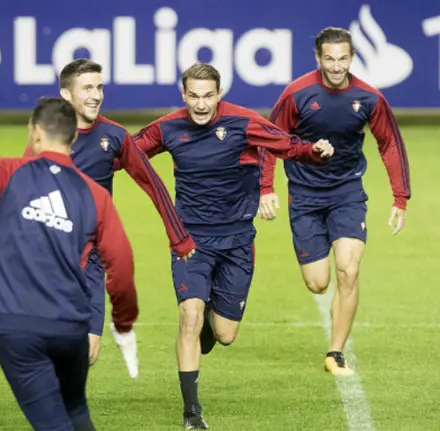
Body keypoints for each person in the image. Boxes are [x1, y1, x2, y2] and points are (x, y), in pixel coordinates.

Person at [133, 63, 334, 429]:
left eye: (208, 96)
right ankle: (192, 412)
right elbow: (127, 152)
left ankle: (209, 319)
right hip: (190, 240)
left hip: (237, 241)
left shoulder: (244, 122)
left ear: (219, 94)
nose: (201, 104)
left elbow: (286, 145)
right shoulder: (168, 128)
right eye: (193, 96)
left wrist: (314, 152)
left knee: (224, 334)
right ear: (183, 95)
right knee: (189, 315)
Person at [0, 97, 139, 431]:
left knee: (54, 424)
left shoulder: (6, 172)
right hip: (71, 328)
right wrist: (123, 325)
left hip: (16, 325)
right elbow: (121, 267)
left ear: (34, 132)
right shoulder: (95, 194)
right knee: (75, 412)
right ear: (74, 137)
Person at [258, 27, 411, 376]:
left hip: (347, 193)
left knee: (348, 270)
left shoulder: (369, 98)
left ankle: (335, 353)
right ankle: (335, 331)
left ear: (352, 57)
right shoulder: (296, 94)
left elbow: (390, 143)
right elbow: (270, 139)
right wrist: (266, 188)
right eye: (330, 59)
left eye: (343, 59)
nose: (337, 66)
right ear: (318, 58)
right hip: (305, 195)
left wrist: (400, 197)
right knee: (318, 282)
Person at [24, 59, 195, 366]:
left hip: (92, 257)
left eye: (99, 87)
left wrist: (178, 237)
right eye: (87, 88)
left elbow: (153, 185)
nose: (96, 95)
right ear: (66, 94)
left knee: (88, 353)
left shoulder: (114, 136)